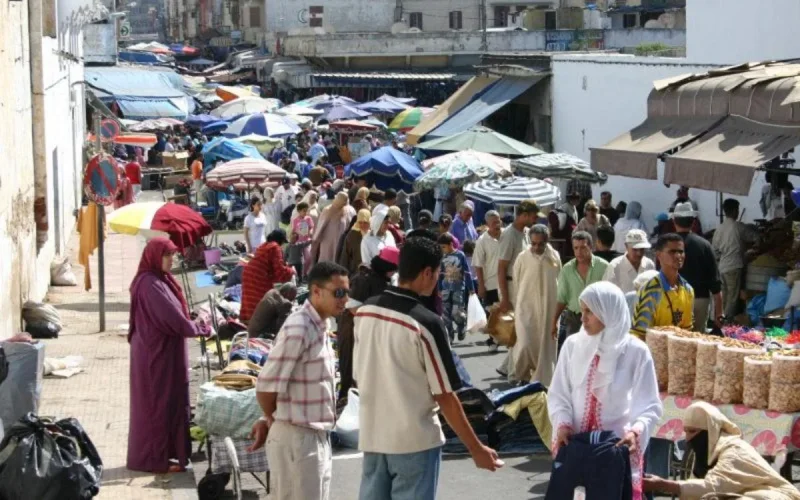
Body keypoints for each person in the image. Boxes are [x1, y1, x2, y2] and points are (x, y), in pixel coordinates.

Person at [353, 237, 501, 500]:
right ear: (427, 273)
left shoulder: (366, 312)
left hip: (373, 436)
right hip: (414, 441)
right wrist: (476, 448)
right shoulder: (425, 323)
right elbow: (445, 395)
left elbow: (359, 374)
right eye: (438, 274)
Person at [548, 282, 663, 500]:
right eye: (582, 311)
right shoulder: (573, 345)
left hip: (615, 450)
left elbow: (649, 404)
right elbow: (559, 392)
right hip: (575, 445)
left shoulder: (636, 351)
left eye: (589, 311)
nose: (583, 318)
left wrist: (635, 432)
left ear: (608, 311)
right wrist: (562, 423)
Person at [248, 262, 350, 500]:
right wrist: (273, 419)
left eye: (346, 292)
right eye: (339, 293)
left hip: (316, 435)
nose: (345, 299)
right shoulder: (300, 327)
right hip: (298, 438)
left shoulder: (321, 324)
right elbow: (266, 386)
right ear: (316, 291)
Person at [127, 238, 210, 473]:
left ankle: (168, 454)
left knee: (170, 401)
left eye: (172, 255)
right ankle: (156, 459)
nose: (171, 260)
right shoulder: (149, 283)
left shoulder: (160, 280)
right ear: (154, 256)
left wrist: (191, 319)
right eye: (167, 255)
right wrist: (198, 327)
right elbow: (172, 318)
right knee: (158, 405)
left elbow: (176, 311)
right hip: (156, 356)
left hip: (163, 352)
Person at [645, 404, 800, 500]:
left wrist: (663, 484)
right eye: (686, 432)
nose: (687, 439)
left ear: (710, 431)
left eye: (693, 432)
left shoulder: (734, 451)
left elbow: (713, 486)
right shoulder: (707, 453)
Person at [337, 247, 399, 404]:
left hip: (367, 332)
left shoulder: (380, 279)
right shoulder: (364, 279)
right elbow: (352, 307)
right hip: (352, 330)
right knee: (351, 370)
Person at [509, 224, 561, 386]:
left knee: (545, 346)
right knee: (525, 344)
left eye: (541, 244)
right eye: (534, 243)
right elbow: (516, 282)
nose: (537, 247)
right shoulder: (522, 258)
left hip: (548, 309)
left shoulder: (554, 257)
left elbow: (559, 281)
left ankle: (540, 380)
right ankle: (521, 375)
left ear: (547, 241)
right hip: (526, 308)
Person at [552, 231, 609, 354]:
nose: (579, 252)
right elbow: (561, 299)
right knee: (573, 354)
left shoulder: (604, 267)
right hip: (574, 319)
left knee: (597, 354)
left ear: (591, 247)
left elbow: (610, 296)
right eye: (576, 248)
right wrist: (554, 322)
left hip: (598, 318)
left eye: (583, 247)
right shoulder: (567, 270)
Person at [630, 233, 695, 340]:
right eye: (672, 251)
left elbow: (687, 332)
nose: (678, 256)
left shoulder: (688, 290)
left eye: (681, 251)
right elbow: (639, 334)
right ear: (659, 255)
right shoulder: (649, 291)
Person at [672, 202, 722, 332]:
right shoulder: (705, 245)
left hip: (673, 300)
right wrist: (719, 315)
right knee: (697, 342)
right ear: (694, 221)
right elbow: (716, 285)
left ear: (674, 220)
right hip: (700, 300)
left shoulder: (667, 245)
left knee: (675, 341)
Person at [712, 198, 759, 319]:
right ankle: (726, 323)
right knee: (732, 299)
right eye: (737, 209)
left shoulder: (720, 228)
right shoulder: (738, 227)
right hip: (734, 267)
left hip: (722, 267)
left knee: (724, 297)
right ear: (733, 211)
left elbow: (715, 250)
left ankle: (719, 320)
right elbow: (756, 238)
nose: (738, 212)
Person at [240, 229, 295, 322]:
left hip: (248, 273)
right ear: (280, 240)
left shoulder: (264, 246)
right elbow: (280, 270)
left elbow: (271, 267)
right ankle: (258, 322)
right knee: (263, 302)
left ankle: (249, 321)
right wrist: (291, 271)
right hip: (258, 276)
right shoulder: (275, 247)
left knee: (250, 300)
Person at [496, 199, 539, 313]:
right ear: (524, 215)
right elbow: (501, 268)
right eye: (534, 217)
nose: (536, 220)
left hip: (524, 287)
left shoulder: (528, 232)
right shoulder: (509, 235)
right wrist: (505, 299)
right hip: (511, 289)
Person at [472, 210, 503, 352]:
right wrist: (481, 286)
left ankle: (507, 338)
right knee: (492, 314)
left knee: (508, 312)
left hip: (507, 282)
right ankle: (493, 340)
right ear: (487, 224)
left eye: (498, 221)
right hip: (491, 283)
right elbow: (477, 264)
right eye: (494, 222)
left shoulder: (506, 236)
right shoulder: (482, 241)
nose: (497, 224)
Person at [438, 233, 474, 342]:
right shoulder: (442, 258)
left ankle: (461, 324)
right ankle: (449, 333)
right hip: (445, 288)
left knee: (456, 312)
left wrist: (471, 288)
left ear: (450, 244)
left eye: (443, 247)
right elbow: (440, 274)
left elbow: (467, 273)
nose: (442, 249)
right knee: (445, 314)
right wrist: (439, 289)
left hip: (458, 289)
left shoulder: (460, 255)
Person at [603, 229, 657, 294]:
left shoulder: (649, 264)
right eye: (635, 249)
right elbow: (607, 292)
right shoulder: (614, 266)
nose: (639, 253)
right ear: (626, 246)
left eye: (642, 249)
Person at [311, 192, 355, 265]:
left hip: (335, 239)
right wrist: (316, 238)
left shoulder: (344, 210)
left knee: (332, 257)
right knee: (328, 256)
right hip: (329, 239)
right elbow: (321, 225)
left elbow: (347, 224)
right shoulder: (329, 209)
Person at [339, 209, 371, 275]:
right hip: (355, 273)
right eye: (360, 222)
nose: (362, 225)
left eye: (365, 222)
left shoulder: (373, 234)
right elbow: (345, 256)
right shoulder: (352, 235)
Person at [291, 201, 315, 277]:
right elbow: (293, 231)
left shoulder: (308, 218)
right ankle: (300, 275)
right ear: (299, 211)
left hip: (307, 241)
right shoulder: (295, 220)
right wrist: (295, 234)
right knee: (300, 260)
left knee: (308, 258)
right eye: (304, 211)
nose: (305, 212)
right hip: (299, 242)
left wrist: (310, 232)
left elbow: (311, 227)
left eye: (306, 210)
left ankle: (305, 273)